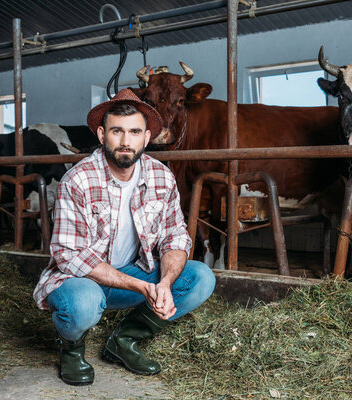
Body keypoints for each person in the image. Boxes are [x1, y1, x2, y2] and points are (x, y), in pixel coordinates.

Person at [33, 88, 215, 386]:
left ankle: (124, 340)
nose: (126, 140)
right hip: (80, 281)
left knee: (200, 278)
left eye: (134, 132)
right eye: (117, 131)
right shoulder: (77, 180)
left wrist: (165, 284)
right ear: (102, 135)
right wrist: (144, 287)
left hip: (131, 276)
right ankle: (72, 349)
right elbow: (69, 255)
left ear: (146, 138)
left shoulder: (161, 176)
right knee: (83, 305)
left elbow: (176, 237)